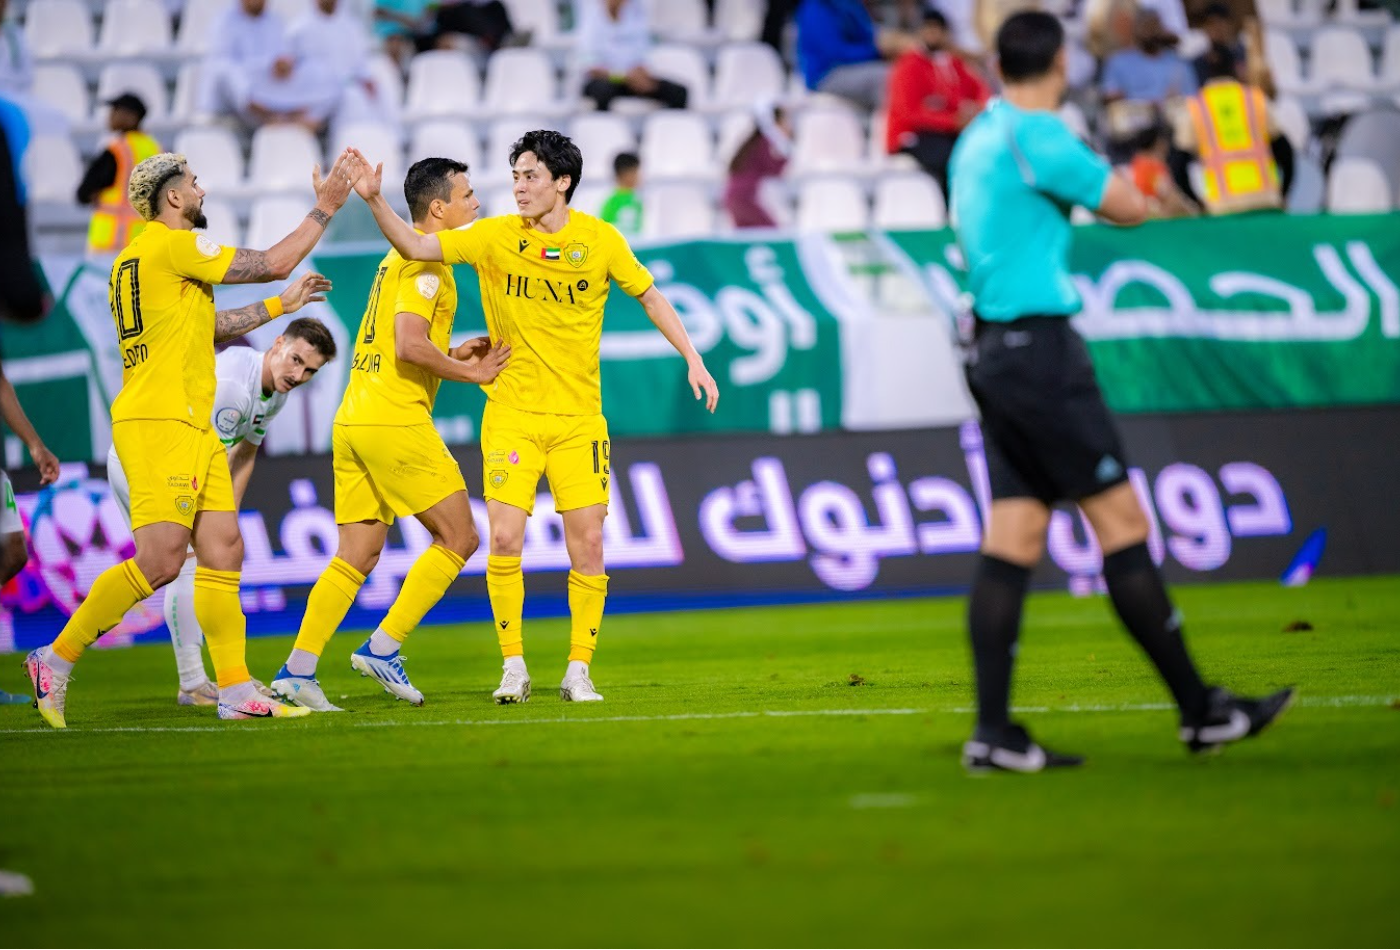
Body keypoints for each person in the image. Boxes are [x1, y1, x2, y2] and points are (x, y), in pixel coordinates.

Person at [946, 11, 1292, 772]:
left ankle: (994, 734)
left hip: (992, 351)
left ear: (999, 65)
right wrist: (1142, 175)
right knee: (1121, 520)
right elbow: (1129, 210)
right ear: (1060, 64)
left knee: (1015, 537)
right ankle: (1202, 713)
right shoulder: (1038, 136)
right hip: (1039, 350)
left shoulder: (977, 137)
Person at [348, 130, 719, 704]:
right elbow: (417, 248)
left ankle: (578, 671)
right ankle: (513, 667)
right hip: (513, 416)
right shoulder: (494, 236)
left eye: (530, 177)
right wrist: (374, 201)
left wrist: (692, 357)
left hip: (578, 422)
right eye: (515, 176)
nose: (518, 188)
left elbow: (648, 295)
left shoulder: (599, 240)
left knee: (588, 545)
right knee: (503, 538)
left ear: (561, 182)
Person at [23, 148, 360, 728]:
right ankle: (54, 658)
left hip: (188, 421)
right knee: (159, 563)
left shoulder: (138, 260)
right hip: (159, 422)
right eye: (195, 184)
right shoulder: (173, 243)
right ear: (173, 197)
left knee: (225, 547)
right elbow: (273, 260)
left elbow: (211, 327)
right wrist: (325, 207)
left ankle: (232, 689)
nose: (202, 191)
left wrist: (280, 308)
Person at [269, 158, 509, 712]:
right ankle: (384, 647)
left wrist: (448, 355)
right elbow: (406, 344)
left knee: (357, 552)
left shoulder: (395, 258)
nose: (477, 204)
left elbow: (401, 345)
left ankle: (297, 671)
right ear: (438, 209)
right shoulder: (429, 268)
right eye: (469, 196)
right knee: (460, 538)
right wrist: (472, 372)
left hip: (355, 420)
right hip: (393, 418)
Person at [107, 315, 338, 707]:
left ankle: (206, 680)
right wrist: (212, 526)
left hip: (172, 466)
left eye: (310, 371)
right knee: (182, 563)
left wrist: (225, 515)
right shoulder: (233, 384)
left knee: (181, 565)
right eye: (296, 360)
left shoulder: (276, 392)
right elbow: (202, 457)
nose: (299, 375)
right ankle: (198, 681)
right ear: (278, 343)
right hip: (146, 464)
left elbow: (245, 453)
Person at [1169, 44, 1291, 216]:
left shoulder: (1195, 108)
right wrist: (1283, 192)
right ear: (1236, 67)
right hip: (1265, 200)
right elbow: (1285, 152)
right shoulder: (1256, 100)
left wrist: (1197, 202)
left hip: (1223, 206)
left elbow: (1177, 164)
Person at [884, 9, 990, 191]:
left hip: (944, 133)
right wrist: (952, 121)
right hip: (911, 135)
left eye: (937, 30)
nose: (932, 35)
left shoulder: (952, 64)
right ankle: (948, 209)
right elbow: (909, 113)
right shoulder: (908, 66)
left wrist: (974, 110)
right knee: (949, 158)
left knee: (980, 152)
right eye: (928, 29)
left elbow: (978, 90)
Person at [76, 93, 162, 257]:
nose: (110, 116)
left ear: (131, 117)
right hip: (146, 245)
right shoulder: (156, 149)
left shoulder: (116, 150)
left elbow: (83, 193)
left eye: (115, 111)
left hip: (111, 245)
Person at [795, 0, 916, 112]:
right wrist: (877, 51)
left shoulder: (848, 3)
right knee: (887, 76)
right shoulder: (815, 7)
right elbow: (836, 54)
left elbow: (868, 32)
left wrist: (892, 42)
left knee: (906, 68)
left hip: (854, 67)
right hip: (825, 75)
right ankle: (893, 128)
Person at [577, 0, 688, 112]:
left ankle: (670, 127)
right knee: (603, 91)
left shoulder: (636, 14)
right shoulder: (591, 17)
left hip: (632, 80)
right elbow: (592, 68)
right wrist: (625, 77)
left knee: (678, 92)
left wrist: (642, 75)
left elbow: (643, 55)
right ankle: (601, 128)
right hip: (607, 79)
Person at [723, 102, 792, 229]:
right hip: (744, 198)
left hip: (733, 198)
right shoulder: (763, 143)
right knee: (772, 232)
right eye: (784, 120)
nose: (788, 125)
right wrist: (787, 151)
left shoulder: (752, 142)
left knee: (746, 236)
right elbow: (774, 170)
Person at [1123, 120, 1197, 218]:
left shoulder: (1136, 163)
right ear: (1157, 144)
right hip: (1158, 213)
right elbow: (1164, 192)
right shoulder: (1154, 166)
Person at [599, 152, 642, 237]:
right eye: (635, 172)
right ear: (624, 174)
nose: (639, 176)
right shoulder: (611, 202)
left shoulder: (637, 201)